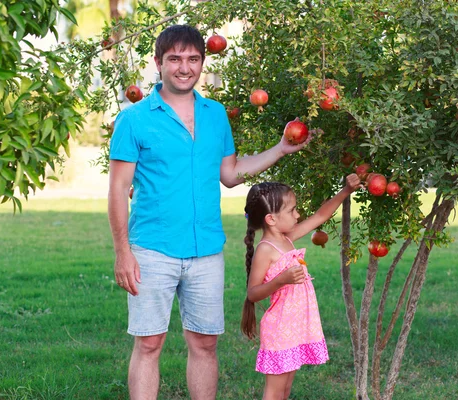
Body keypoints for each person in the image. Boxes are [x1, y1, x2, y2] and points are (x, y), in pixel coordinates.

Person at [107, 24, 312, 400]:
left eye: (192, 59)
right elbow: (119, 189)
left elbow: (230, 174)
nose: (184, 68)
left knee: (205, 344)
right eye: (174, 59)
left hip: (206, 252)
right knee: (149, 344)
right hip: (152, 249)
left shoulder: (216, 114)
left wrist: (281, 148)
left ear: (202, 62)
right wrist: (123, 252)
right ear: (158, 63)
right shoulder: (134, 119)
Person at [241, 173, 362, 400]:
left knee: (285, 391)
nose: (298, 214)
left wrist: (345, 190)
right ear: (271, 219)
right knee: (275, 392)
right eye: (292, 210)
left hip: (296, 326)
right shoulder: (266, 249)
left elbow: (320, 215)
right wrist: (281, 280)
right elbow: (253, 293)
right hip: (280, 329)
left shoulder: (288, 237)